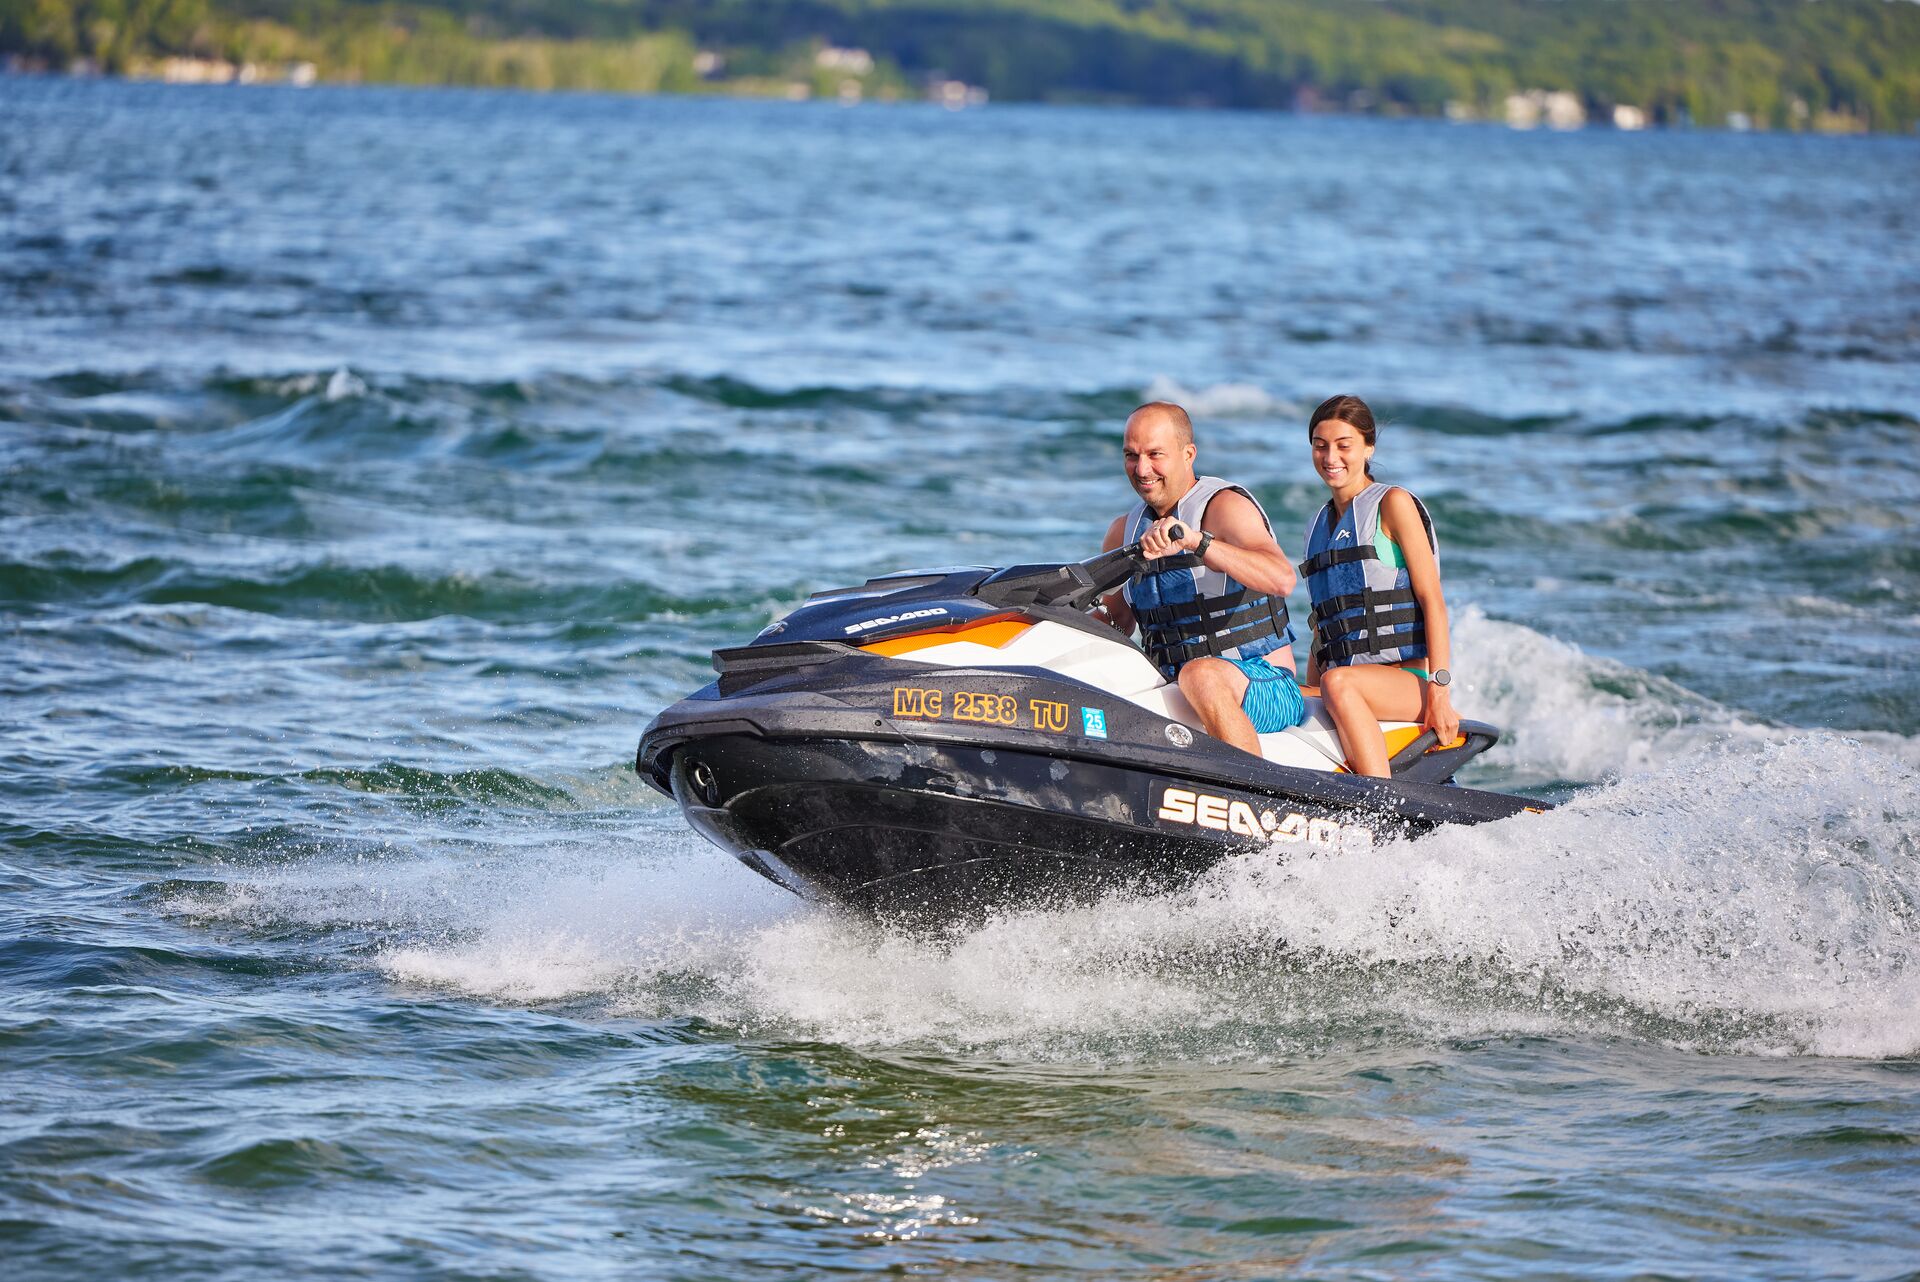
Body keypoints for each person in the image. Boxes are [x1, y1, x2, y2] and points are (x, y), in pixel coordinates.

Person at [1097, 401, 1305, 754]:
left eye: (1154, 454)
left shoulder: (1223, 508)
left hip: (1265, 686)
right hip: (1175, 686)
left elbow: (1282, 578)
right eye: (1131, 455)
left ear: (1188, 453)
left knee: (1199, 674)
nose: (1142, 468)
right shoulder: (1124, 530)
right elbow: (1113, 622)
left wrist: (1195, 541)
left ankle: (1250, 796)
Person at [1299, 394, 1458, 777]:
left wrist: (1440, 691)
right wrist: (1307, 693)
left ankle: (1379, 804)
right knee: (1273, 691)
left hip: (1408, 681)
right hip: (1344, 682)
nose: (1330, 457)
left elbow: (1432, 600)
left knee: (1339, 682)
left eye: (1343, 445)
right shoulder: (1317, 526)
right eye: (1320, 446)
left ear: (1368, 447)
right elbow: (1325, 627)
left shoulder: (1393, 503)